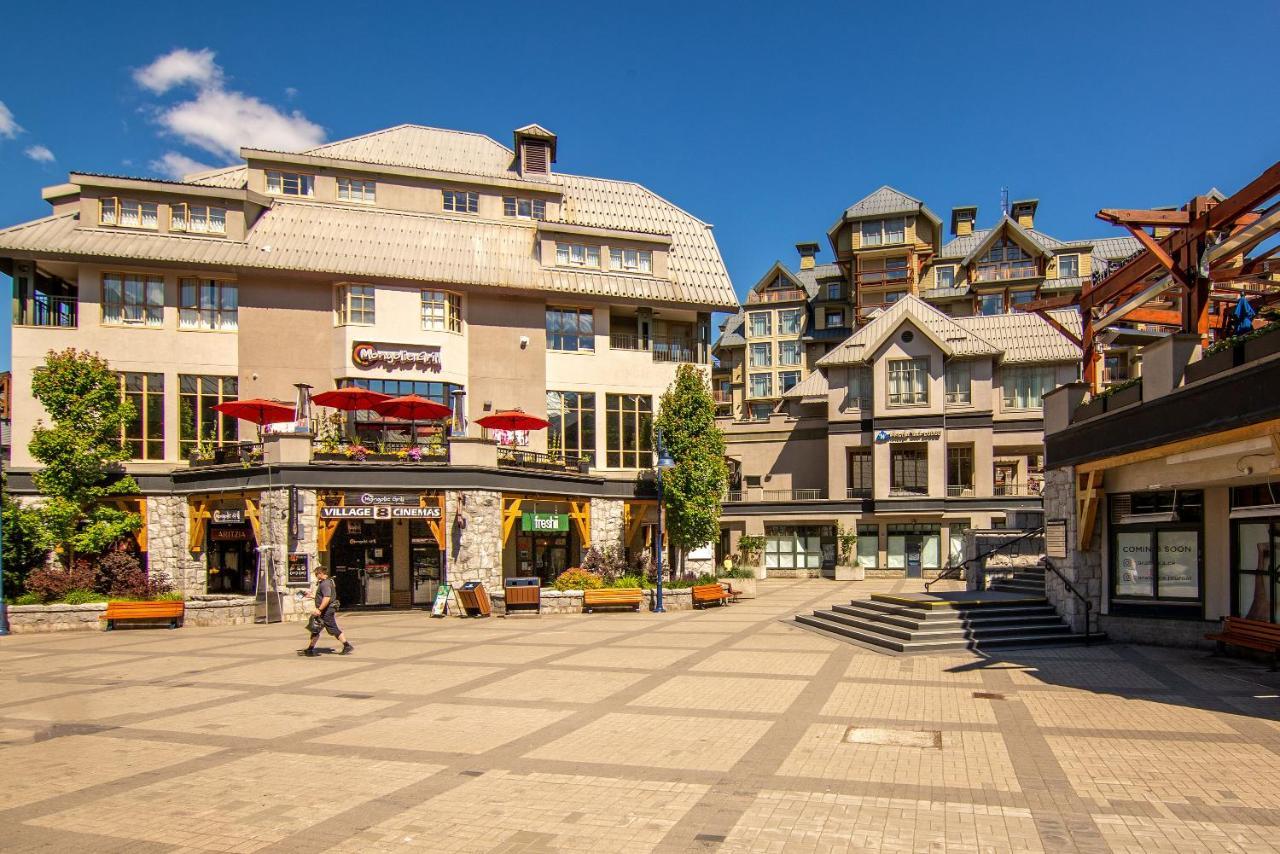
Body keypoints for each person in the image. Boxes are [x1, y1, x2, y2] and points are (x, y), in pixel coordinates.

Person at [302, 566, 353, 656]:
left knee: (332, 628)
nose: (316, 576)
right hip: (325, 610)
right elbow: (323, 597)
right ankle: (310, 649)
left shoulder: (325, 584)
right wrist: (312, 596)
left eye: (316, 574)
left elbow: (327, 598)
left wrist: (319, 609)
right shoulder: (328, 582)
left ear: (321, 574)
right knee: (315, 628)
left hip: (326, 611)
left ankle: (347, 645)